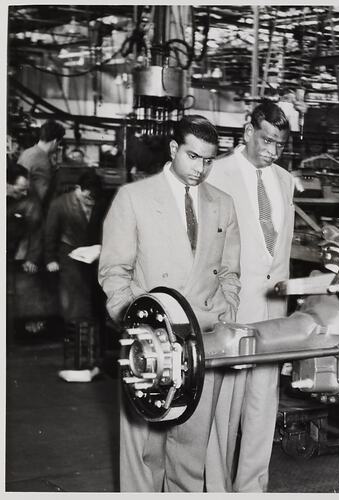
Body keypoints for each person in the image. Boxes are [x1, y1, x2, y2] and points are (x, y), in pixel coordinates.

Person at [98, 115, 241, 492]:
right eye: (193, 157)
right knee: (144, 453)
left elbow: (230, 272)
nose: (200, 168)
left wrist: (226, 311)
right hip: (149, 344)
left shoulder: (223, 204)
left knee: (190, 453)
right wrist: (133, 322)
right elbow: (115, 270)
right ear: (174, 149)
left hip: (201, 342)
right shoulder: (134, 198)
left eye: (209, 160)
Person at [205, 99, 294, 492]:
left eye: (280, 144)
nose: (273, 152)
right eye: (267, 141)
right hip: (233, 307)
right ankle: (217, 487)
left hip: (273, 308)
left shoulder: (285, 180)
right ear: (247, 130)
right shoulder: (216, 174)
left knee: (263, 402)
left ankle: (252, 487)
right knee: (224, 405)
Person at [45, 170, 107, 380]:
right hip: (69, 260)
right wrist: (50, 258)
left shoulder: (101, 202)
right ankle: (78, 363)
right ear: (78, 190)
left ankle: (93, 361)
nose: (91, 202)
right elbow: (50, 233)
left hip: (94, 260)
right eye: (88, 197)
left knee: (93, 310)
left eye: (94, 198)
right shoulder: (60, 204)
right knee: (76, 310)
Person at [17, 119, 66, 204]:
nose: (58, 147)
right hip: (33, 209)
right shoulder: (42, 160)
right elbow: (44, 194)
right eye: (59, 143)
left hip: (21, 205)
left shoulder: (27, 152)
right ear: (55, 142)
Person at [7, 161, 42, 274]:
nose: (25, 193)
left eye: (26, 188)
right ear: (6, 184)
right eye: (21, 189)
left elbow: (36, 230)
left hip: (16, 255)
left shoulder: (30, 199)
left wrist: (32, 258)